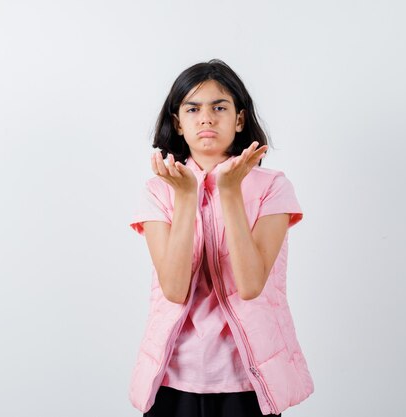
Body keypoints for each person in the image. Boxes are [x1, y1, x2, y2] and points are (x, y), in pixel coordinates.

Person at [128, 59, 314, 417]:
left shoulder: (272, 187)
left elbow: (250, 284)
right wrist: (185, 197)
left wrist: (229, 193)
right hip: (174, 377)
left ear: (239, 119)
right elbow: (175, 288)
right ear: (178, 122)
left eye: (219, 107)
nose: (207, 118)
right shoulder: (158, 192)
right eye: (193, 108)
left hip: (249, 381)